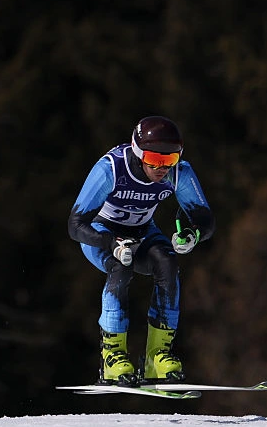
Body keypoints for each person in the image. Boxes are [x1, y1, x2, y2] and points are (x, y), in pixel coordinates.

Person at [68, 116, 214, 386]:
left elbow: (205, 220)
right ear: (137, 153)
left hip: (141, 231)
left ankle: (157, 356)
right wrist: (111, 244)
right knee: (120, 267)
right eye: (155, 160)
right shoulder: (111, 169)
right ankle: (112, 356)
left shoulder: (179, 171)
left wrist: (191, 234)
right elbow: (76, 225)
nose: (162, 169)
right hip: (101, 233)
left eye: (168, 161)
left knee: (167, 261)